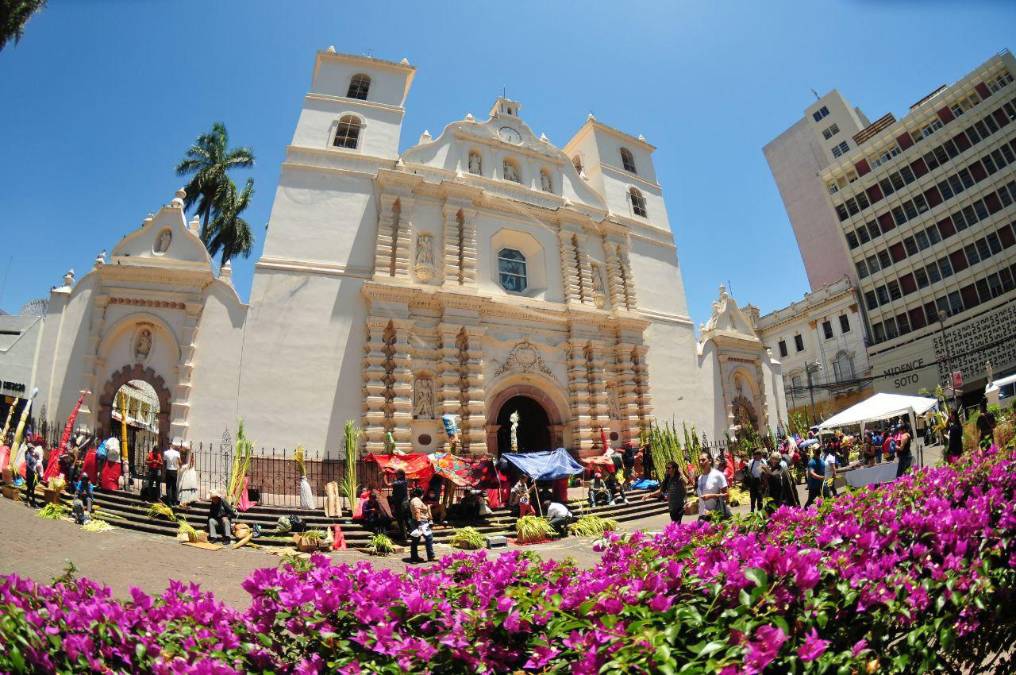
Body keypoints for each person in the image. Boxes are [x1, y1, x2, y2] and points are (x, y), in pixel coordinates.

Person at [695, 452, 728, 519]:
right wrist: (694, 504)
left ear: (710, 461)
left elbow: (726, 496)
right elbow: (701, 497)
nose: (700, 462)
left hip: (717, 515)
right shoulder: (700, 478)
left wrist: (711, 496)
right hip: (704, 514)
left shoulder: (718, 475)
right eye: (699, 460)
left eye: (703, 460)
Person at [408, 487, 435, 563]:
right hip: (421, 522)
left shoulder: (414, 500)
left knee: (415, 539)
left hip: (418, 521)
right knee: (429, 537)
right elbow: (417, 511)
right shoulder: (416, 500)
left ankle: (414, 557)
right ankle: (431, 556)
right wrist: (419, 523)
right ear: (421, 494)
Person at [388, 469, 410, 538]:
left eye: (396, 474)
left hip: (401, 504)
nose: (395, 475)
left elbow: (387, 484)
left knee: (401, 519)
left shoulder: (399, 482)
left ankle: (405, 534)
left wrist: (384, 475)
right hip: (402, 504)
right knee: (404, 519)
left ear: (400, 475)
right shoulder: (404, 481)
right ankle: (407, 533)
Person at [24, 439, 42, 508]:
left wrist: (38, 473)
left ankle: (28, 501)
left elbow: (35, 465)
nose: (33, 449)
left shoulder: (32, 455)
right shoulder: (28, 456)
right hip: (29, 474)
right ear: (29, 449)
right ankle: (32, 502)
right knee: (31, 488)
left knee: (30, 488)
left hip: (33, 474)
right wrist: (33, 471)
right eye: (32, 448)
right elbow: (27, 465)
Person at [163, 440, 182, 506]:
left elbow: (164, 462)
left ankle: (169, 501)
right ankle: (174, 501)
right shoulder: (177, 453)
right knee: (174, 486)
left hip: (168, 470)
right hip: (174, 470)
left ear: (169, 445)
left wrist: (164, 470)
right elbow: (180, 462)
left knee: (168, 486)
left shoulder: (165, 453)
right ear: (173, 446)